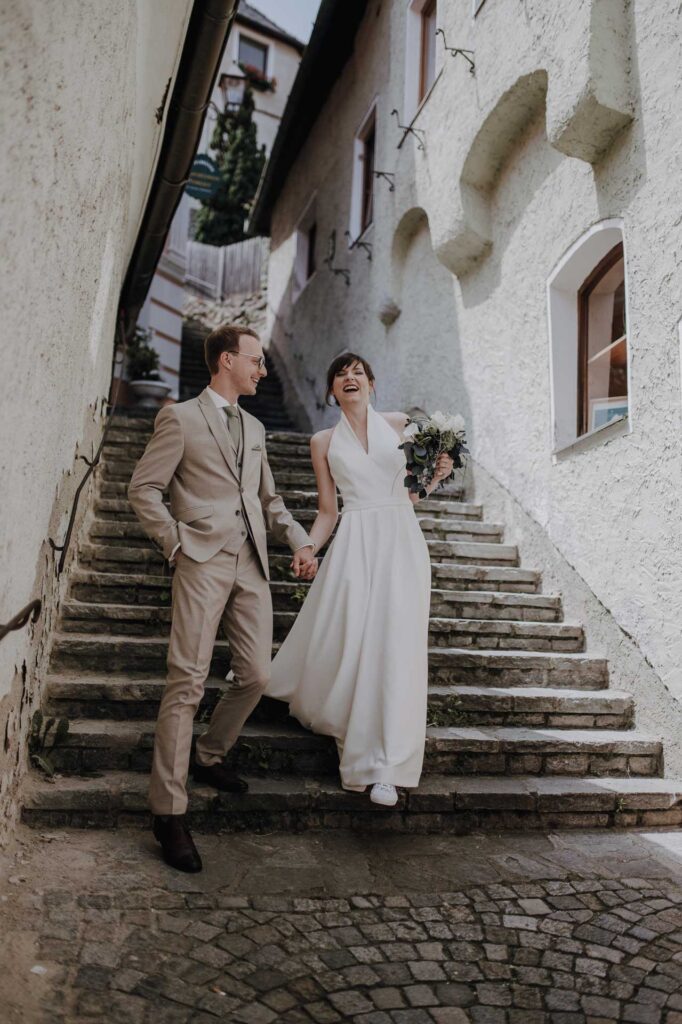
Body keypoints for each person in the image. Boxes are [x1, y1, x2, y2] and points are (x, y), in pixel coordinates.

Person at [128, 324, 317, 872]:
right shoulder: (180, 418)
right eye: (256, 360)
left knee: (257, 674)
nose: (263, 369)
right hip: (201, 559)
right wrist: (175, 542)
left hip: (251, 562)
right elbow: (144, 488)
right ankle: (168, 812)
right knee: (186, 680)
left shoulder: (255, 426)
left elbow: (269, 499)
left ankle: (208, 754)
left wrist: (300, 539)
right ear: (227, 360)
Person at [266, 353, 453, 807]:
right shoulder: (323, 441)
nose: (350, 378)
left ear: (372, 383)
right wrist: (308, 547)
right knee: (353, 639)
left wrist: (436, 478)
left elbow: (411, 493)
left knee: (396, 648)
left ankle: (386, 767)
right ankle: (348, 725)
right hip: (353, 543)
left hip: (401, 542)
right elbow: (327, 511)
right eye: (340, 374)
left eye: (358, 373)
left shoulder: (400, 424)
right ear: (332, 390)